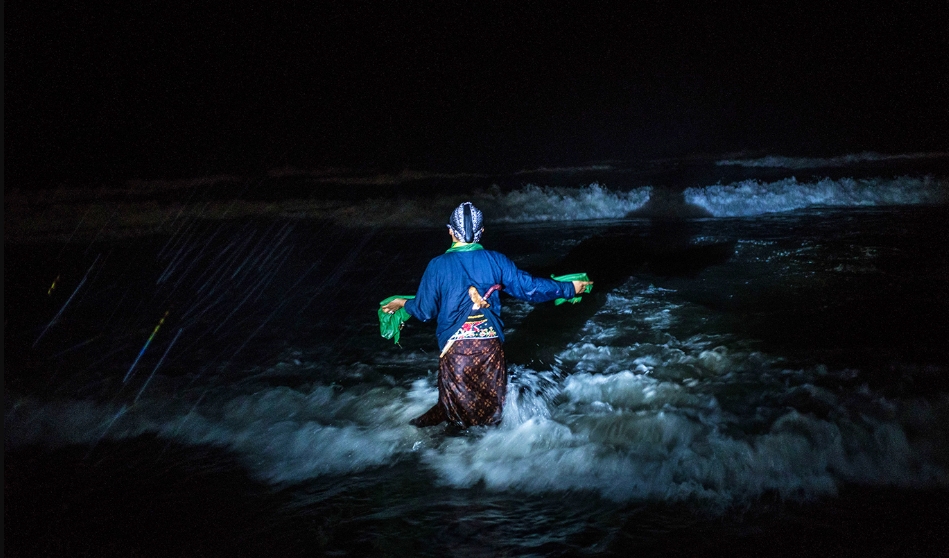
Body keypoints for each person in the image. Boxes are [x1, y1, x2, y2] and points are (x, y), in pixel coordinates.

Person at [382, 202, 592, 428]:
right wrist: (569, 288)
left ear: (450, 231)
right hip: (490, 349)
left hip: (456, 353)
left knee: (456, 421)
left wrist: (402, 303)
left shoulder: (438, 265)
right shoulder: (496, 260)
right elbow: (530, 288)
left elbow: (424, 311)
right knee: (493, 418)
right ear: (481, 232)